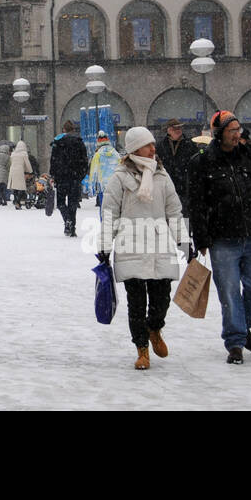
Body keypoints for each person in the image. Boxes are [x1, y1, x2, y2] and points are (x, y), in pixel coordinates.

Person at [188, 110, 251, 364]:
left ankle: (243, 323)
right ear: (219, 134)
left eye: (239, 129)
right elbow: (196, 203)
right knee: (228, 291)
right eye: (232, 130)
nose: (238, 134)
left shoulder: (248, 156)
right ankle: (235, 342)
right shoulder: (202, 162)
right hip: (222, 238)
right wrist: (201, 239)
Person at [97, 126, 188, 370]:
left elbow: (174, 210)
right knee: (136, 303)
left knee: (161, 301)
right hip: (131, 245)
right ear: (135, 148)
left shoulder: (161, 175)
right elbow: (109, 214)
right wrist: (105, 245)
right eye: (148, 145)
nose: (153, 148)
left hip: (160, 245)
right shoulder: (119, 177)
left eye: (152, 145)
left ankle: (155, 328)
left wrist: (184, 239)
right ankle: (142, 349)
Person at [49, 121, 89, 236]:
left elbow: (53, 160)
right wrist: (81, 175)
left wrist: (53, 174)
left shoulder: (58, 143)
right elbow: (84, 161)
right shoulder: (79, 142)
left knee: (61, 202)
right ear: (73, 130)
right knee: (73, 203)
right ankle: (72, 229)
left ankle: (67, 220)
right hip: (75, 177)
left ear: (64, 130)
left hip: (61, 177)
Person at [156, 119, 200, 217]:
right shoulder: (160, 146)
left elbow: (197, 163)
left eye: (179, 128)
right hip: (166, 187)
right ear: (168, 130)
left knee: (184, 218)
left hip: (185, 188)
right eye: (174, 128)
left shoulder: (190, 144)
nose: (178, 130)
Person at [87, 131, 120, 206]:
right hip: (114, 185)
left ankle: (104, 218)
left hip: (102, 186)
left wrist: (91, 188)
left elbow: (93, 172)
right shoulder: (116, 154)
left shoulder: (97, 155)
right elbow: (121, 168)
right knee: (114, 207)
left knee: (103, 207)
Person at [7, 140, 33, 209]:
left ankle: (16, 202)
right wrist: (30, 171)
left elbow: (12, 162)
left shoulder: (13, 154)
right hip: (20, 171)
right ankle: (18, 202)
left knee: (15, 188)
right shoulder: (24, 154)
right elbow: (27, 164)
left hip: (12, 171)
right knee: (22, 188)